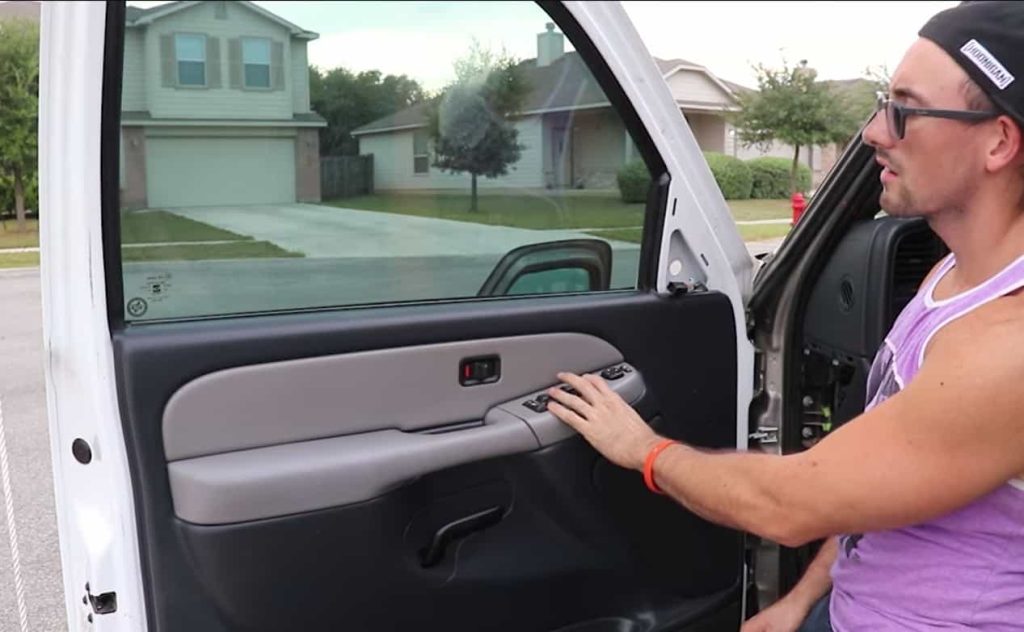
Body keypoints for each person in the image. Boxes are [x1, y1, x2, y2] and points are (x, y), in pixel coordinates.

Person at [545, 2, 1024, 630]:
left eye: (904, 109)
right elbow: (869, 479)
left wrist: (645, 451)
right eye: (884, 101)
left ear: (999, 141)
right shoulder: (953, 274)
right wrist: (799, 603)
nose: (875, 132)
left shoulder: (1006, 348)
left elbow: (789, 505)